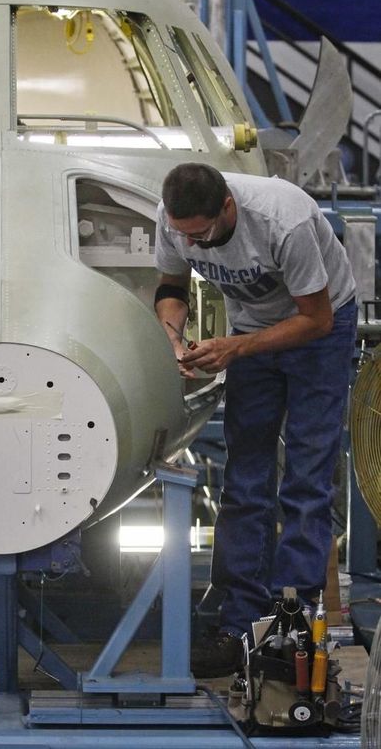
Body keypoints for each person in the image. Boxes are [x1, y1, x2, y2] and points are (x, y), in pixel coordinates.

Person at [153, 162, 357, 678]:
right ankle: (240, 623)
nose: (193, 243)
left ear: (227, 207)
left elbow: (317, 319)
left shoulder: (282, 220)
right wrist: (172, 337)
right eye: (185, 235)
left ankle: (290, 625)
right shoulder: (173, 219)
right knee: (245, 481)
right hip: (250, 332)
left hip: (319, 332)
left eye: (201, 234)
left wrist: (235, 347)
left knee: (308, 478)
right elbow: (171, 284)